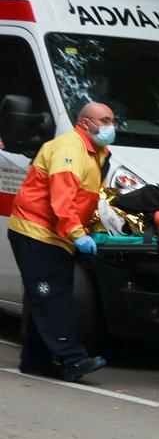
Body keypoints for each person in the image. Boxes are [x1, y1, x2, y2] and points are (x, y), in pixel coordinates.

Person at [9, 102, 115, 382]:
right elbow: (62, 201)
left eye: (112, 120)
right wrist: (79, 236)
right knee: (53, 297)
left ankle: (35, 360)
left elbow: (87, 200)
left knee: (45, 295)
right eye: (104, 120)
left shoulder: (97, 153)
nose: (110, 126)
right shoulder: (69, 150)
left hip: (55, 235)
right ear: (86, 123)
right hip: (37, 231)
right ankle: (72, 359)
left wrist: (90, 230)